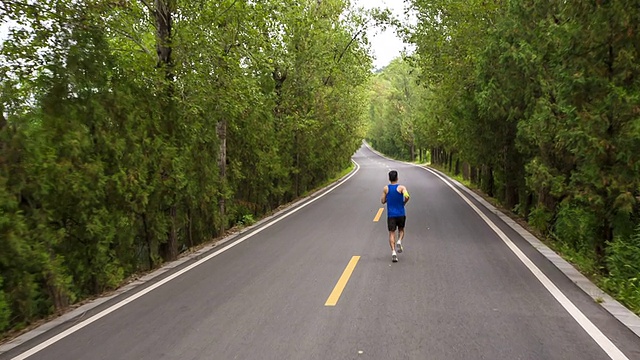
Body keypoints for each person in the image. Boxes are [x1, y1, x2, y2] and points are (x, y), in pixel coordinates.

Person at [381, 170, 410, 262]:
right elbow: (407, 196)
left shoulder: (386, 189)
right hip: (401, 213)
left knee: (391, 233)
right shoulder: (401, 188)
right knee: (401, 230)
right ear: (397, 178)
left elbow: (382, 201)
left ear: (389, 179)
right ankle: (399, 240)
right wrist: (403, 202)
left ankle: (393, 252)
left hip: (391, 215)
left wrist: (387, 198)